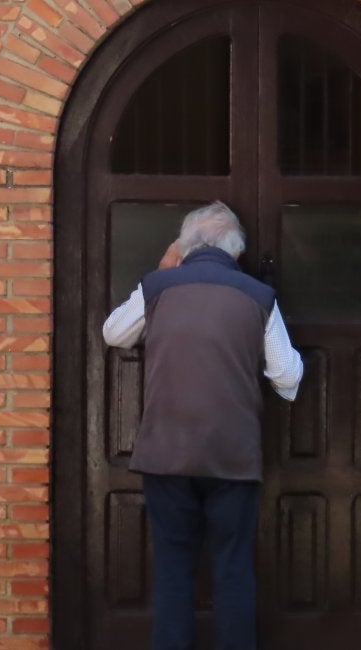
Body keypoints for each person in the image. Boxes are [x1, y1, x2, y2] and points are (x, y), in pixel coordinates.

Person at [103, 201, 303, 650]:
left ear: (183, 246)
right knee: (233, 568)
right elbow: (287, 375)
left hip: (166, 452)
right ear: (235, 250)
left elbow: (114, 333)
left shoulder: (157, 287)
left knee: (174, 569)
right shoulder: (257, 296)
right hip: (233, 456)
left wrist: (160, 270)